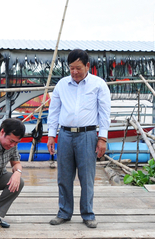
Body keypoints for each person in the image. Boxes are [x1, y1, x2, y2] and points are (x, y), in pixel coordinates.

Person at [47, 49, 111, 229]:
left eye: (78, 68)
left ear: (87, 66)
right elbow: (54, 111)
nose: (74, 72)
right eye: (71, 68)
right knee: (64, 176)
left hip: (87, 134)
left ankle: (88, 213)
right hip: (65, 134)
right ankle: (64, 212)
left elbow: (104, 113)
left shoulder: (98, 85)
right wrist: (52, 135)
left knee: (87, 177)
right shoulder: (61, 84)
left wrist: (102, 138)